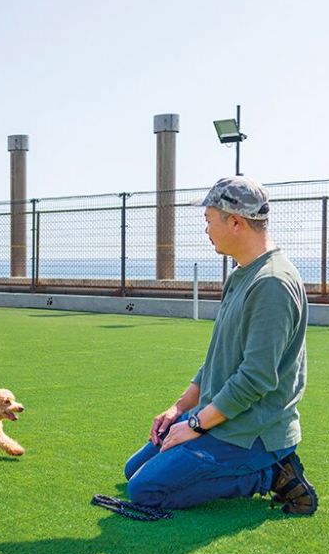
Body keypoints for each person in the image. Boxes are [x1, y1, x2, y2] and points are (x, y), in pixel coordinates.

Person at [122, 175, 317, 515]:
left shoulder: (272, 284)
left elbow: (256, 378)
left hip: (251, 430)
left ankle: (272, 473)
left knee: (145, 490)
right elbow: (218, 359)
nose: (206, 229)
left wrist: (196, 425)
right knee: (133, 471)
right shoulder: (243, 274)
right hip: (221, 415)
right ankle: (241, 462)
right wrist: (179, 410)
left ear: (236, 222)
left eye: (209, 220)